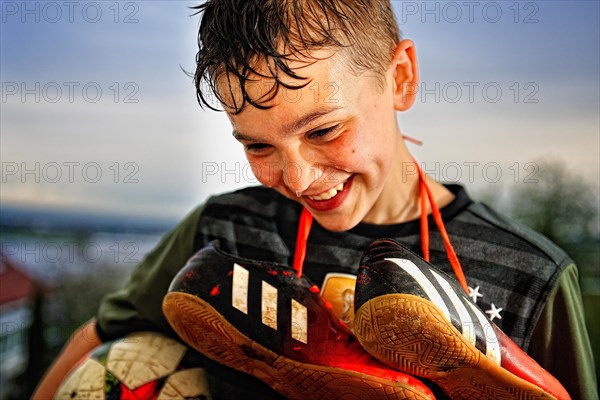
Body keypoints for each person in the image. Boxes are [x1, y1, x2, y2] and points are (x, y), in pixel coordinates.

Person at [34, 1, 597, 399]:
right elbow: (99, 337)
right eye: (257, 144)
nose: (298, 178)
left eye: (324, 130)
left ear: (399, 78)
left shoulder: (531, 275)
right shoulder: (221, 231)